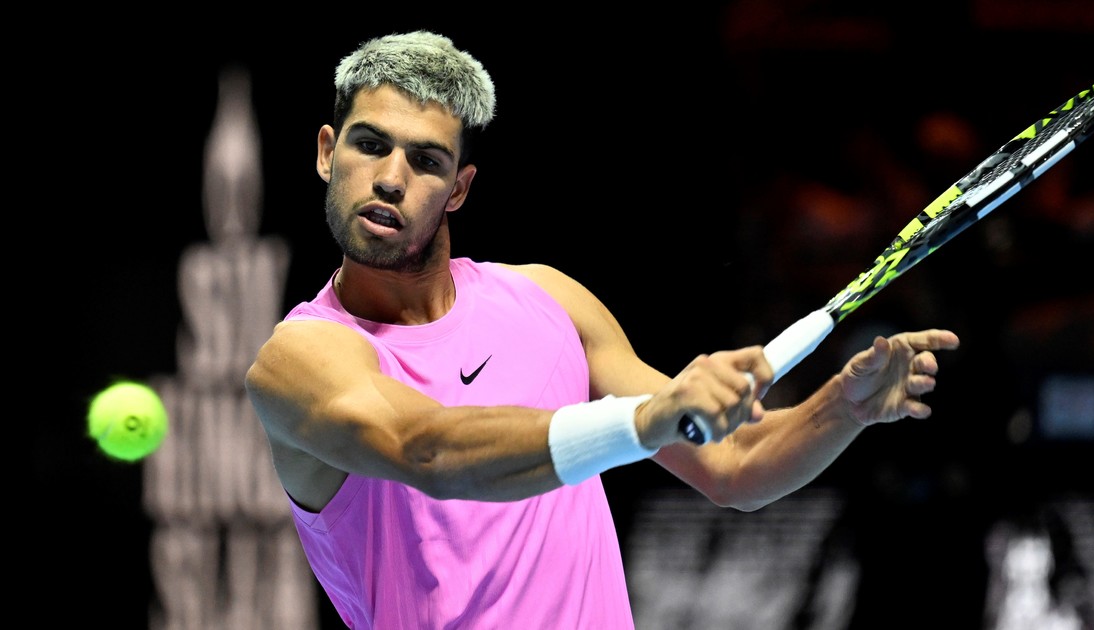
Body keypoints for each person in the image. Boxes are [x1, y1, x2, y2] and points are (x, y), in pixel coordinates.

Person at [244, 31, 961, 629]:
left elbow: (733, 465)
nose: (390, 178)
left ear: (459, 187)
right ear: (326, 153)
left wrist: (841, 409)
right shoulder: (302, 358)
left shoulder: (548, 300)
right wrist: (643, 421)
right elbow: (426, 447)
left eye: (425, 160)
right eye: (370, 145)